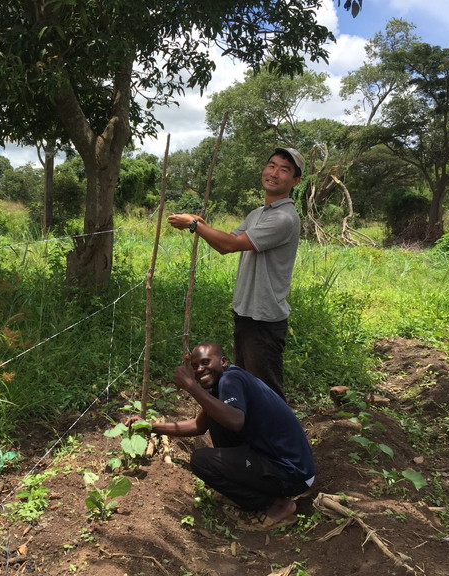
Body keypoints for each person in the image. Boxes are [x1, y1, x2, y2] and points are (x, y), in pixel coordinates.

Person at [168, 147, 304, 401]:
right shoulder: (258, 214)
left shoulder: (284, 218)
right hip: (246, 314)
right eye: (271, 165)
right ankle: (252, 438)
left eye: (284, 170)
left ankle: (279, 439)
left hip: (264, 320)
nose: (274, 173)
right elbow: (225, 244)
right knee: (249, 385)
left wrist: (194, 225)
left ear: (295, 181)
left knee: (268, 393)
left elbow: (230, 245)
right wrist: (201, 224)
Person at [134, 341, 315, 531]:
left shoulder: (231, 380)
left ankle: (277, 505)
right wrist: (150, 426)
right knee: (215, 417)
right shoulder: (221, 384)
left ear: (223, 361)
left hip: (291, 472)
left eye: (205, 362)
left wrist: (191, 387)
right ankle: (242, 480)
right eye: (195, 366)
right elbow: (198, 425)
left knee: (202, 461)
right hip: (282, 464)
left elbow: (235, 421)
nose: (199, 370)